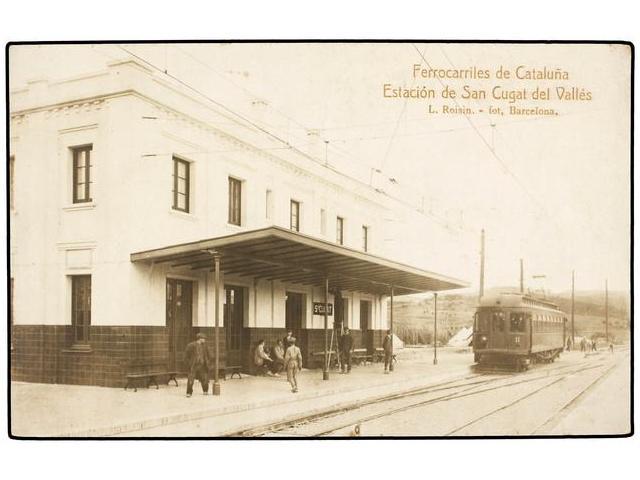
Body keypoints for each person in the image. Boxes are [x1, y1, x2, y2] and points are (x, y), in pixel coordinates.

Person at [184, 332, 211, 397]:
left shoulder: (205, 346)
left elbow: (208, 355)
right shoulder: (191, 345)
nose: (205, 340)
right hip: (193, 366)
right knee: (191, 379)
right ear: (200, 339)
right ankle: (189, 392)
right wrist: (189, 364)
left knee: (205, 379)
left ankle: (205, 391)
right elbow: (186, 356)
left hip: (202, 366)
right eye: (204, 338)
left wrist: (207, 362)